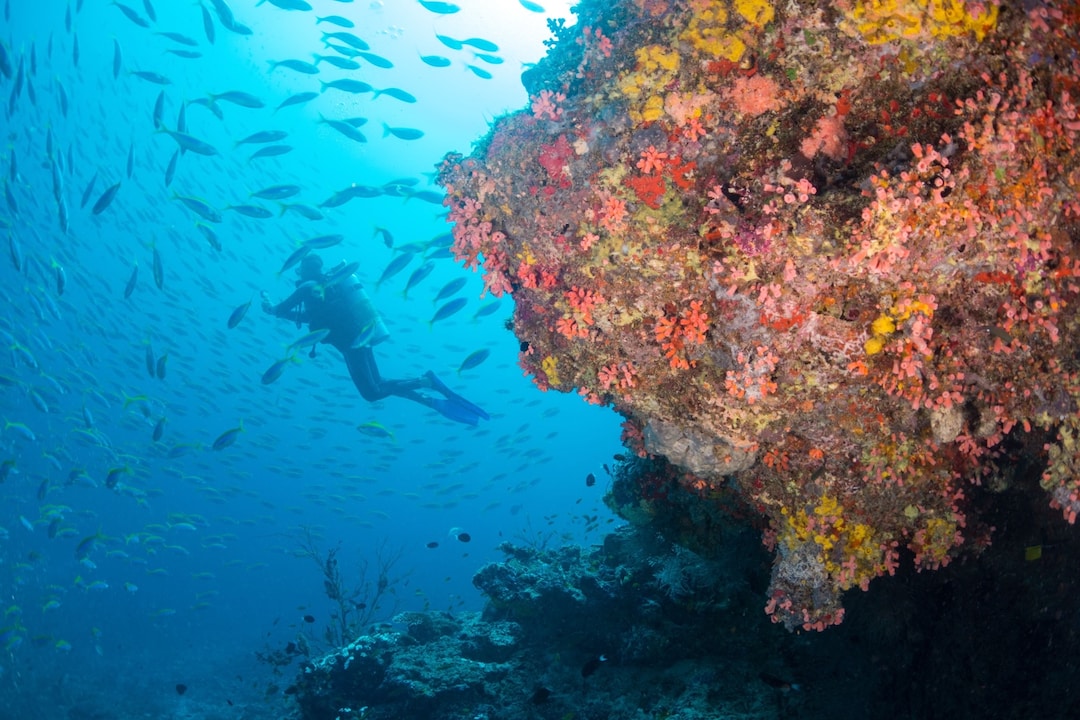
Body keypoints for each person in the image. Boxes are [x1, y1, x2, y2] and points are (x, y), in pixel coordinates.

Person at [261, 252, 490, 426]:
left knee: (371, 392)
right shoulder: (324, 288)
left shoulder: (308, 287)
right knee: (377, 383)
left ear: (303, 269)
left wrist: (270, 307)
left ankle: (426, 382)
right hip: (360, 337)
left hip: (351, 344)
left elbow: (281, 310)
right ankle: (426, 397)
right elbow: (308, 317)